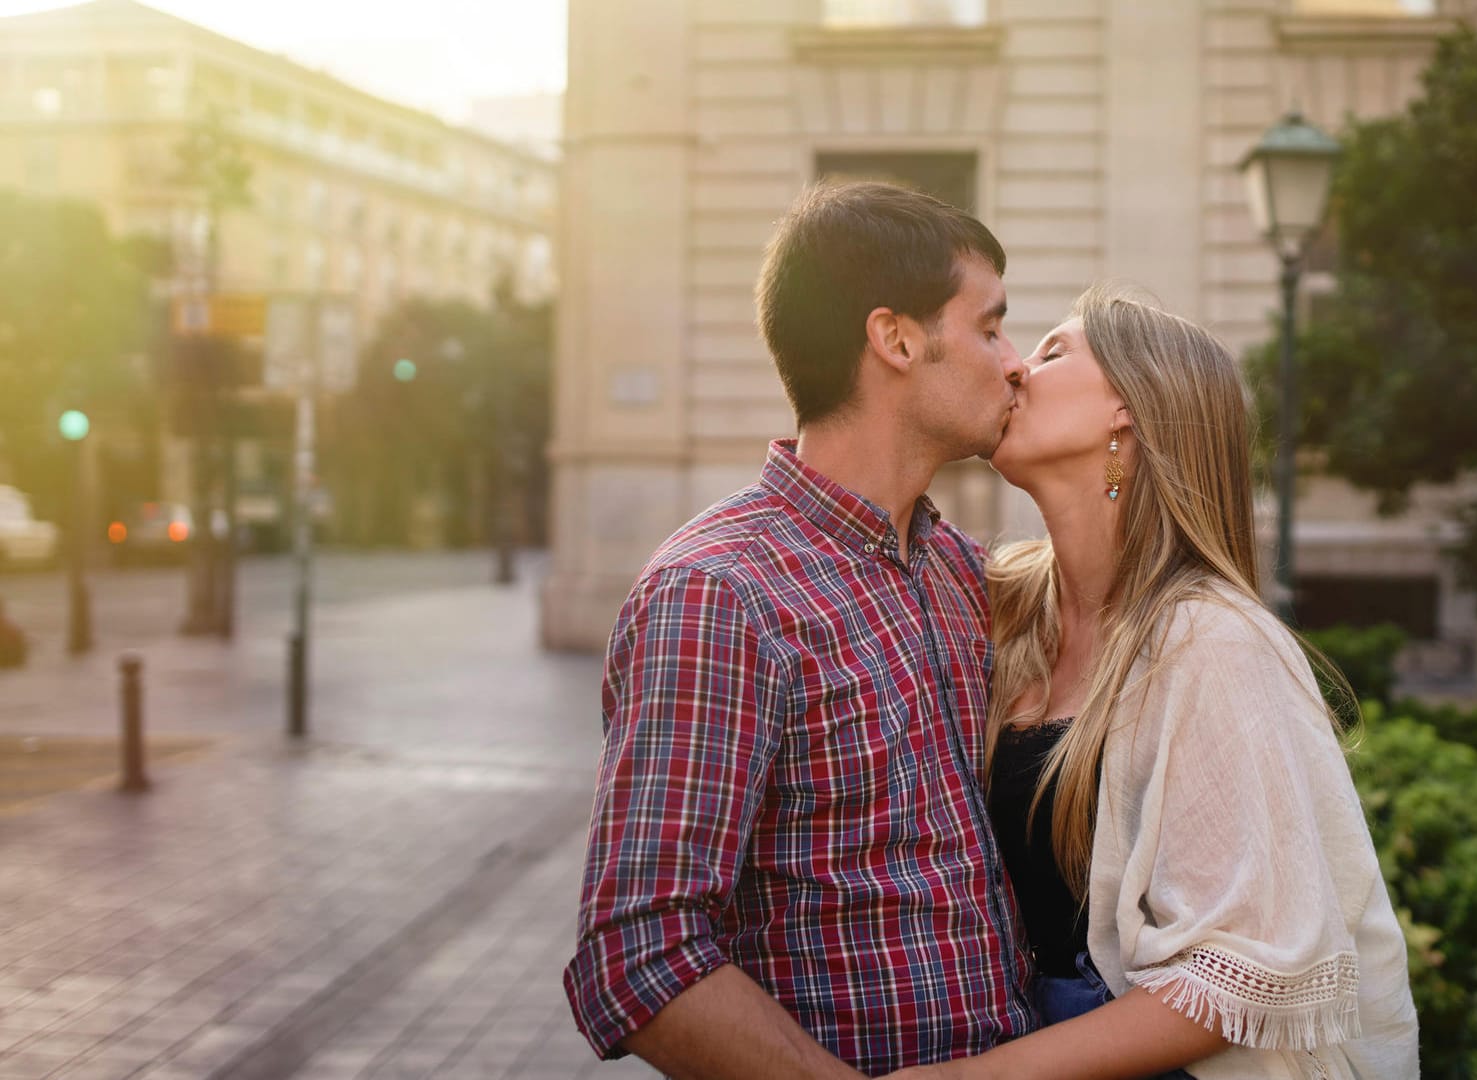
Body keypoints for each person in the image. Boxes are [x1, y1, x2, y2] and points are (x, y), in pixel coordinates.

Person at [563, 182, 1037, 1078]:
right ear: (895, 338)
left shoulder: (956, 571)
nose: (1014, 363)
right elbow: (639, 956)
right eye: (990, 327)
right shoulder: (719, 594)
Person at [899, 284, 1420, 1079]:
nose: (1012, 368)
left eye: (1051, 352)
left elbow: (1244, 968)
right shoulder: (1004, 609)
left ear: (1127, 412)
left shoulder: (1211, 640)